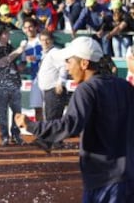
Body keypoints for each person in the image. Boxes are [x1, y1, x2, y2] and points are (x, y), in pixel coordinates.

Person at [15, 36, 134, 202]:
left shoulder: (87, 89)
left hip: (103, 180)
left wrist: (32, 126)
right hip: (127, 177)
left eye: (69, 62)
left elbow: (70, 125)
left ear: (84, 64)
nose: (67, 68)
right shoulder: (124, 86)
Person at [0, 26, 24, 146]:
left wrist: (23, 60)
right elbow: (1, 63)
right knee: (2, 113)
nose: (8, 35)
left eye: (8, 33)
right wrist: (18, 51)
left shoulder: (10, 47)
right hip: (0, 85)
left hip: (14, 83)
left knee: (17, 111)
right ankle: (4, 136)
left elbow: (19, 66)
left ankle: (16, 135)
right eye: (5, 33)